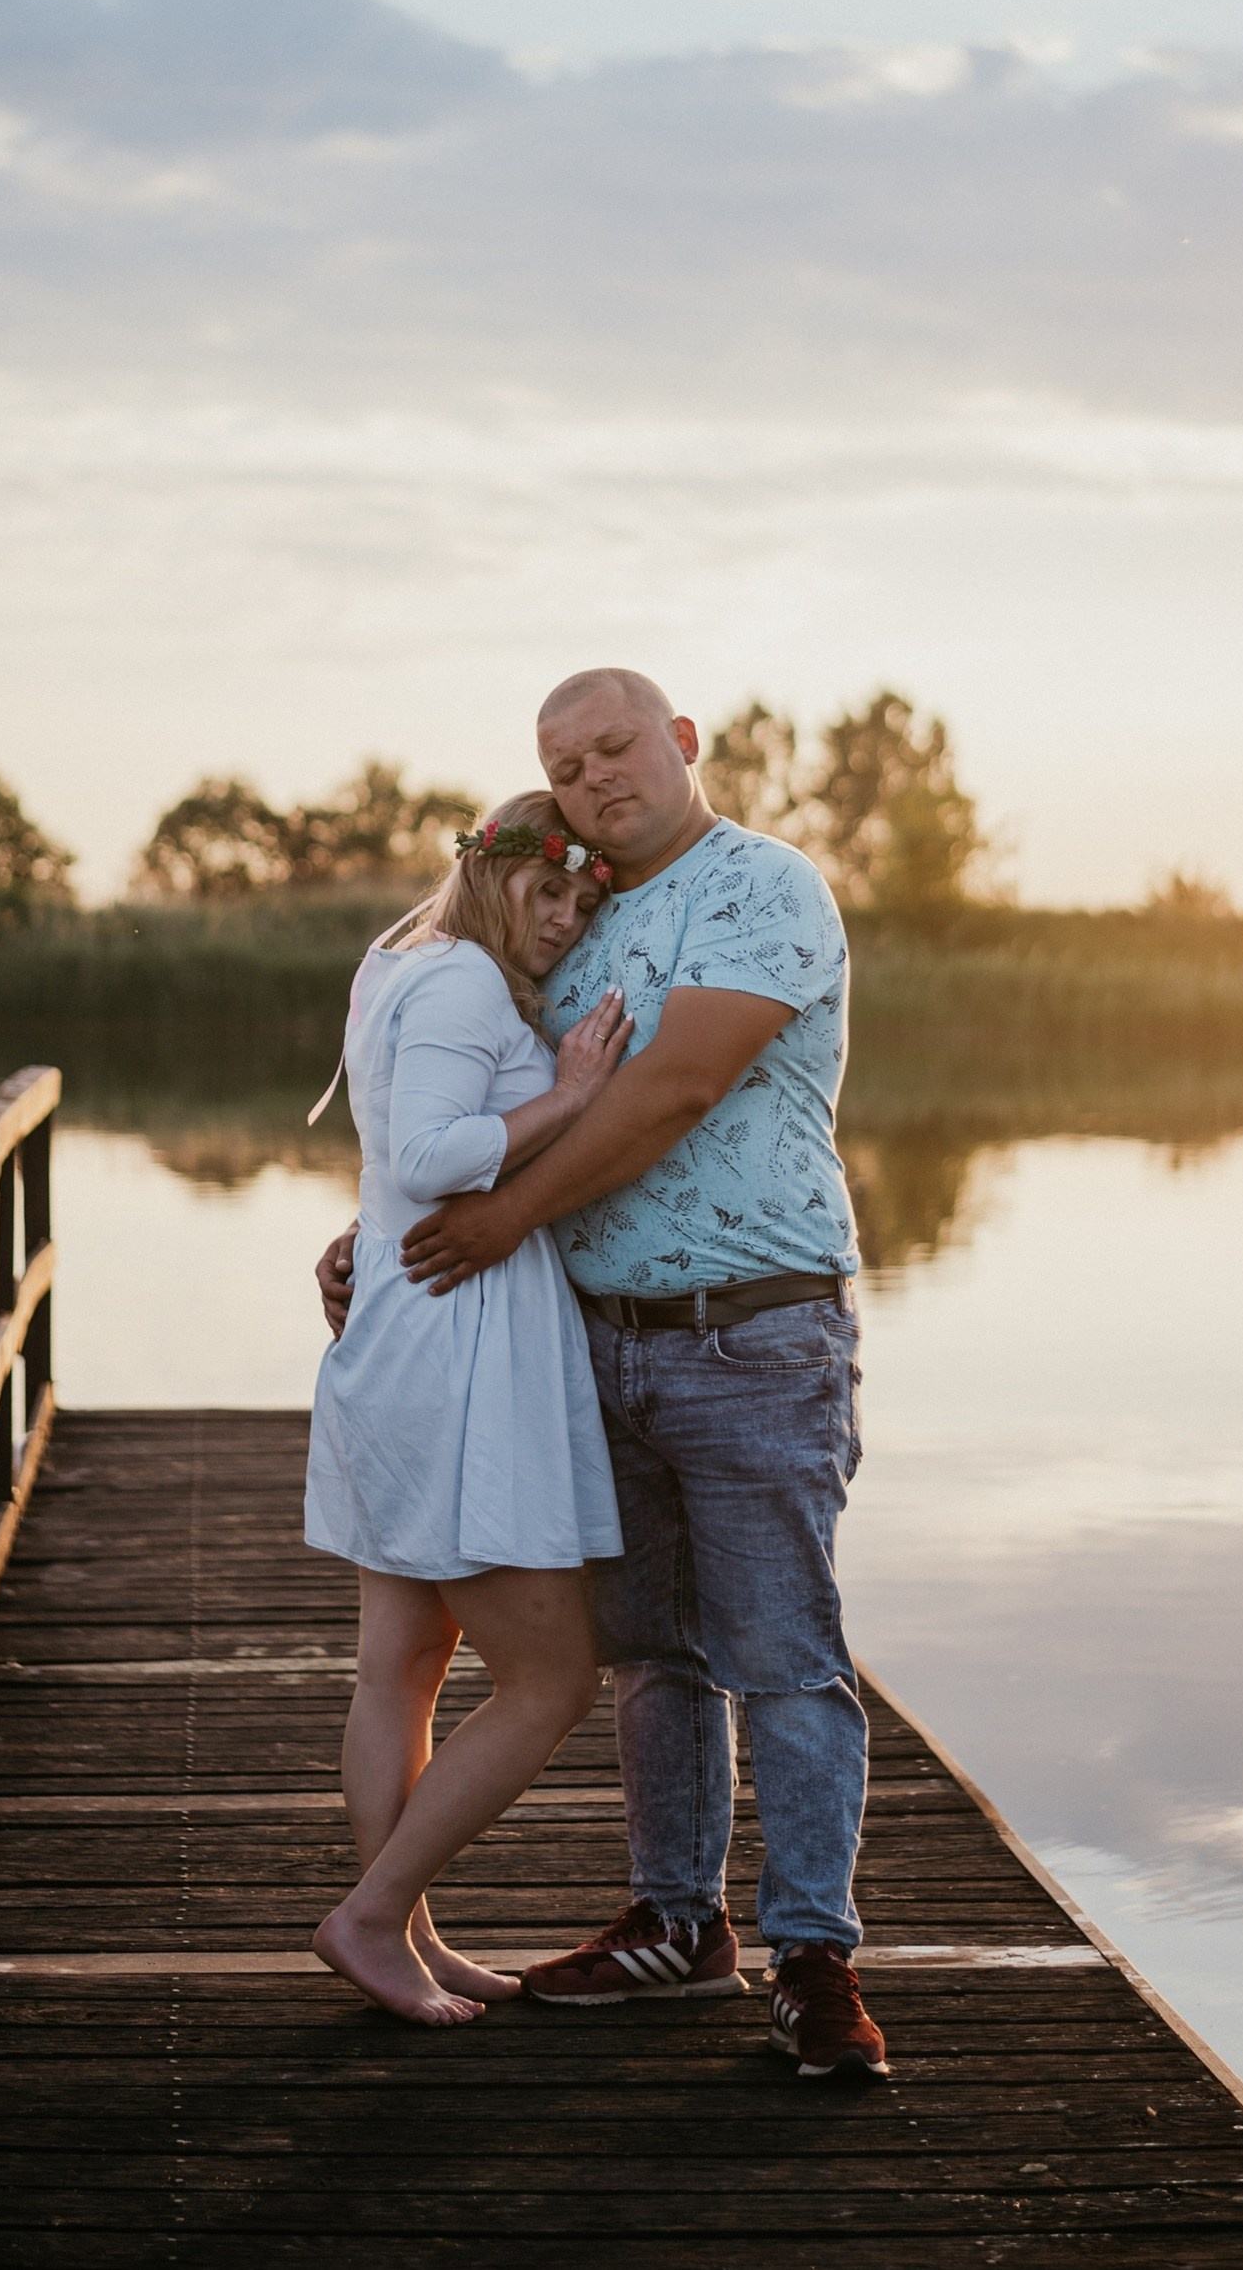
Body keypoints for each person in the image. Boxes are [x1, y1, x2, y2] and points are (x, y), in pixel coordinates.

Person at [318, 670, 889, 2081]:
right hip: (586, 1337)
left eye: (616, 747)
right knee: (649, 1652)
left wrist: (496, 1218)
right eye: (566, 767)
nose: (595, 780)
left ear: (681, 741)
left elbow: (673, 1084)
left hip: (751, 1328)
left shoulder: (760, 884)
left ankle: (812, 1955)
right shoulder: (565, 912)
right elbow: (467, 1103)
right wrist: (379, 1233)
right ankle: (676, 1920)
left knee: (784, 1653)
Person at [303, 789, 633, 2025]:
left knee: (401, 1663)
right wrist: (573, 1092)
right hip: (454, 1347)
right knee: (551, 1679)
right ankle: (373, 1914)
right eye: (547, 891)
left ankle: (403, 1931)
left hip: (413, 1325)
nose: (562, 920)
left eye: (581, 902)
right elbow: (431, 1156)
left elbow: (388, 1158)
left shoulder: (405, 968)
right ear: (489, 874)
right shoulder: (460, 983)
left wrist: (356, 1237)